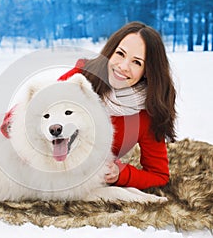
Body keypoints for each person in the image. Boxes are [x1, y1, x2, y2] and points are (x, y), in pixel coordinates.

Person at [58, 21, 177, 189]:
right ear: (110, 51)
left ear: (147, 71)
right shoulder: (83, 76)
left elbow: (159, 175)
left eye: (137, 62)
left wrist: (120, 173)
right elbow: (32, 106)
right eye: (120, 53)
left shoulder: (145, 115)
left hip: (86, 186)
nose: (123, 67)